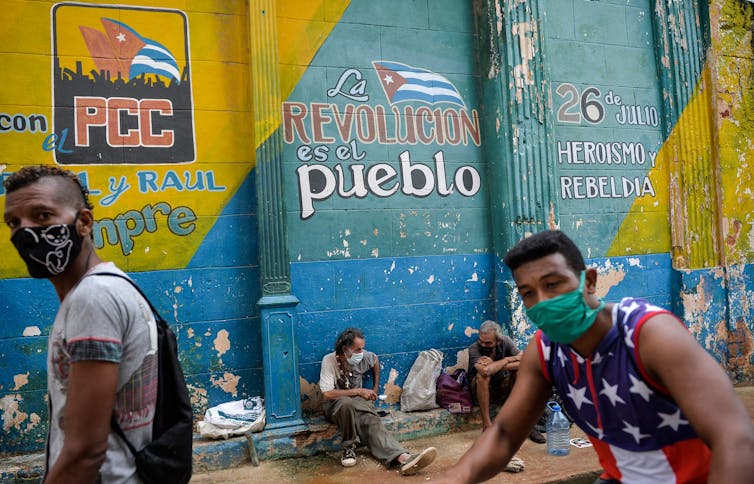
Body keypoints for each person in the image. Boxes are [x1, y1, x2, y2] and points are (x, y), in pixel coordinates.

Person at [439, 230, 754, 483]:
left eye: (553, 284)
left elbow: (735, 440)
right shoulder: (545, 351)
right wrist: (454, 477)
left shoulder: (650, 335)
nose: (543, 301)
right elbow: (505, 435)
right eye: (528, 293)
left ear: (588, 281)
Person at [4, 165, 158, 483]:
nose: (24, 232)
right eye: (13, 222)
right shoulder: (110, 284)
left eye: (42, 216)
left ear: (84, 223)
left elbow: (85, 451)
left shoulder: (94, 297)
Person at [319, 327, 437, 475]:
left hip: (357, 403)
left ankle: (403, 458)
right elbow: (328, 394)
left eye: (362, 348)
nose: (361, 353)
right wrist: (358, 391)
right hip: (335, 406)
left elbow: (374, 360)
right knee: (345, 402)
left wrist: (374, 388)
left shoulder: (363, 357)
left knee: (371, 421)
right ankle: (349, 448)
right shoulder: (329, 360)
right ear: (345, 348)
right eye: (357, 350)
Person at [468, 320, 545, 443]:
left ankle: (526, 425)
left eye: (488, 343)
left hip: (502, 386)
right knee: (482, 377)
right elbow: (485, 371)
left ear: (498, 341)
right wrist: (511, 359)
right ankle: (487, 425)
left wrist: (499, 363)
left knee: (520, 372)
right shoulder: (473, 348)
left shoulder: (506, 342)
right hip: (479, 391)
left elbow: (524, 362)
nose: (483, 345)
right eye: (481, 341)